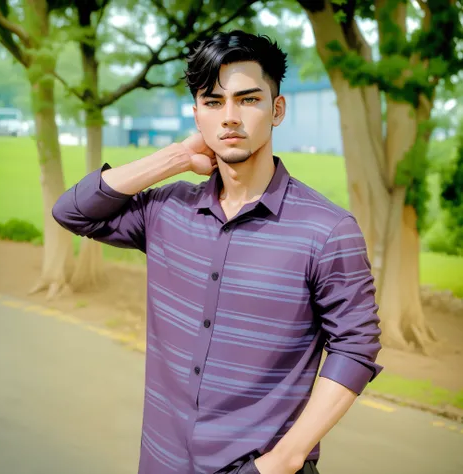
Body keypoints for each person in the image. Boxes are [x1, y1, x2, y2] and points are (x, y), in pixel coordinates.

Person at [52, 30, 383, 474]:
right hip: (161, 462)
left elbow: (356, 345)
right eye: (213, 101)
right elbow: (73, 212)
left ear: (277, 109)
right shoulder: (166, 210)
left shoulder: (326, 230)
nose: (230, 117)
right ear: (197, 116)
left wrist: (285, 459)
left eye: (248, 100)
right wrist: (175, 158)